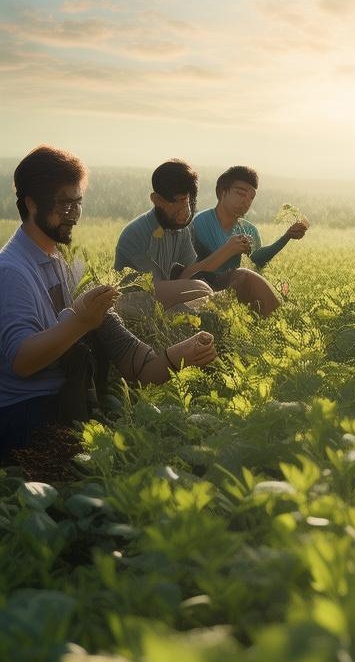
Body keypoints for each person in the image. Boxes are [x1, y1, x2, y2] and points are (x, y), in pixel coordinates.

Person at [0, 146, 217, 458]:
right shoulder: (11, 271)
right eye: (63, 203)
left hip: (75, 402)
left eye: (77, 203)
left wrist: (177, 355)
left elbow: (132, 360)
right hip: (26, 416)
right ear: (32, 204)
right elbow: (22, 361)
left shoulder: (70, 265)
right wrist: (80, 322)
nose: (73, 213)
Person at [115, 159, 281, 317]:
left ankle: (276, 327)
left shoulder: (183, 231)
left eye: (187, 200)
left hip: (182, 291)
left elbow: (191, 272)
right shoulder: (136, 234)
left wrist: (228, 262)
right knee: (199, 289)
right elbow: (150, 286)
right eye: (177, 201)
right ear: (156, 200)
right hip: (136, 300)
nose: (184, 209)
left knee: (245, 277)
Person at [192, 165, 307, 294]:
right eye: (240, 194)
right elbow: (199, 269)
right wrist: (231, 250)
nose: (246, 201)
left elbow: (255, 261)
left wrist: (286, 237)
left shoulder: (250, 230)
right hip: (202, 290)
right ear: (222, 192)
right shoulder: (200, 223)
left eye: (251, 197)